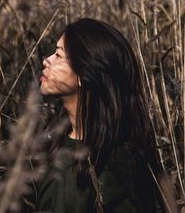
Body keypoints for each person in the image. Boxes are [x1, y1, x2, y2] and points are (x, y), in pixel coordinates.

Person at [34, 18, 166, 212]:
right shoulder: (53, 144)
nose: (46, 60)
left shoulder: (117, 165)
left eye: (59, 55)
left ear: (84, 72)